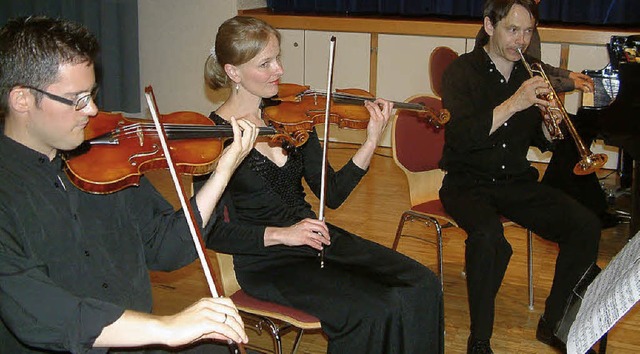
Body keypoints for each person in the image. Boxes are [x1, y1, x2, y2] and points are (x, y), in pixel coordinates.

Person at [0, 16, 256, 353]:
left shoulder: (104, 162)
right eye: (76, 99)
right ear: (22, 101)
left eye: (91, 94)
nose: (92, 110)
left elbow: (167, 247)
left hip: (135, 343)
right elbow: (42, 315)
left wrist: (222, 173)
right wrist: (166, 326)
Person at [199, 15, 444, 354]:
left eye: (278, 58)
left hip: (317, 239)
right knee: (369, 311)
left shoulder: (294, 117)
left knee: (422, 284)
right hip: (268, 263)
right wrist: (283, 234)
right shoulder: (211, 140)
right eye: (266, 63)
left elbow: (334, 192)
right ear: (233, 72)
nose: (280, 70)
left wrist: (372, 141)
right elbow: (209, 232)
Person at [439, 1, 601, 353]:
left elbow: (539, 140)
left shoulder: (532, 71)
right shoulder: (460, 72)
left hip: (514, 181)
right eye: (513, 30)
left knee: (584, 225)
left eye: (528, 31)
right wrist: (515, 102)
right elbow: (461, 138)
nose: (522, 40)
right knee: (488, 237)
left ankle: (554, 321)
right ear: (488, 26)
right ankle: (479, 339)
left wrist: (548, 123)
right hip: (467, 181)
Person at [475, 0, 617, 229]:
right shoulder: (501, 27)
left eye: (527, 31)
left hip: (523, 98)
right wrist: (569, 83)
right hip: (505, 106)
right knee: (572, 133)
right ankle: (575, 196)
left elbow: (537, 66)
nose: (522, 37)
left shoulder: (526, 19)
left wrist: (569, 74)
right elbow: (527, 76)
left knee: (575, 128)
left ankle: (577, 197)